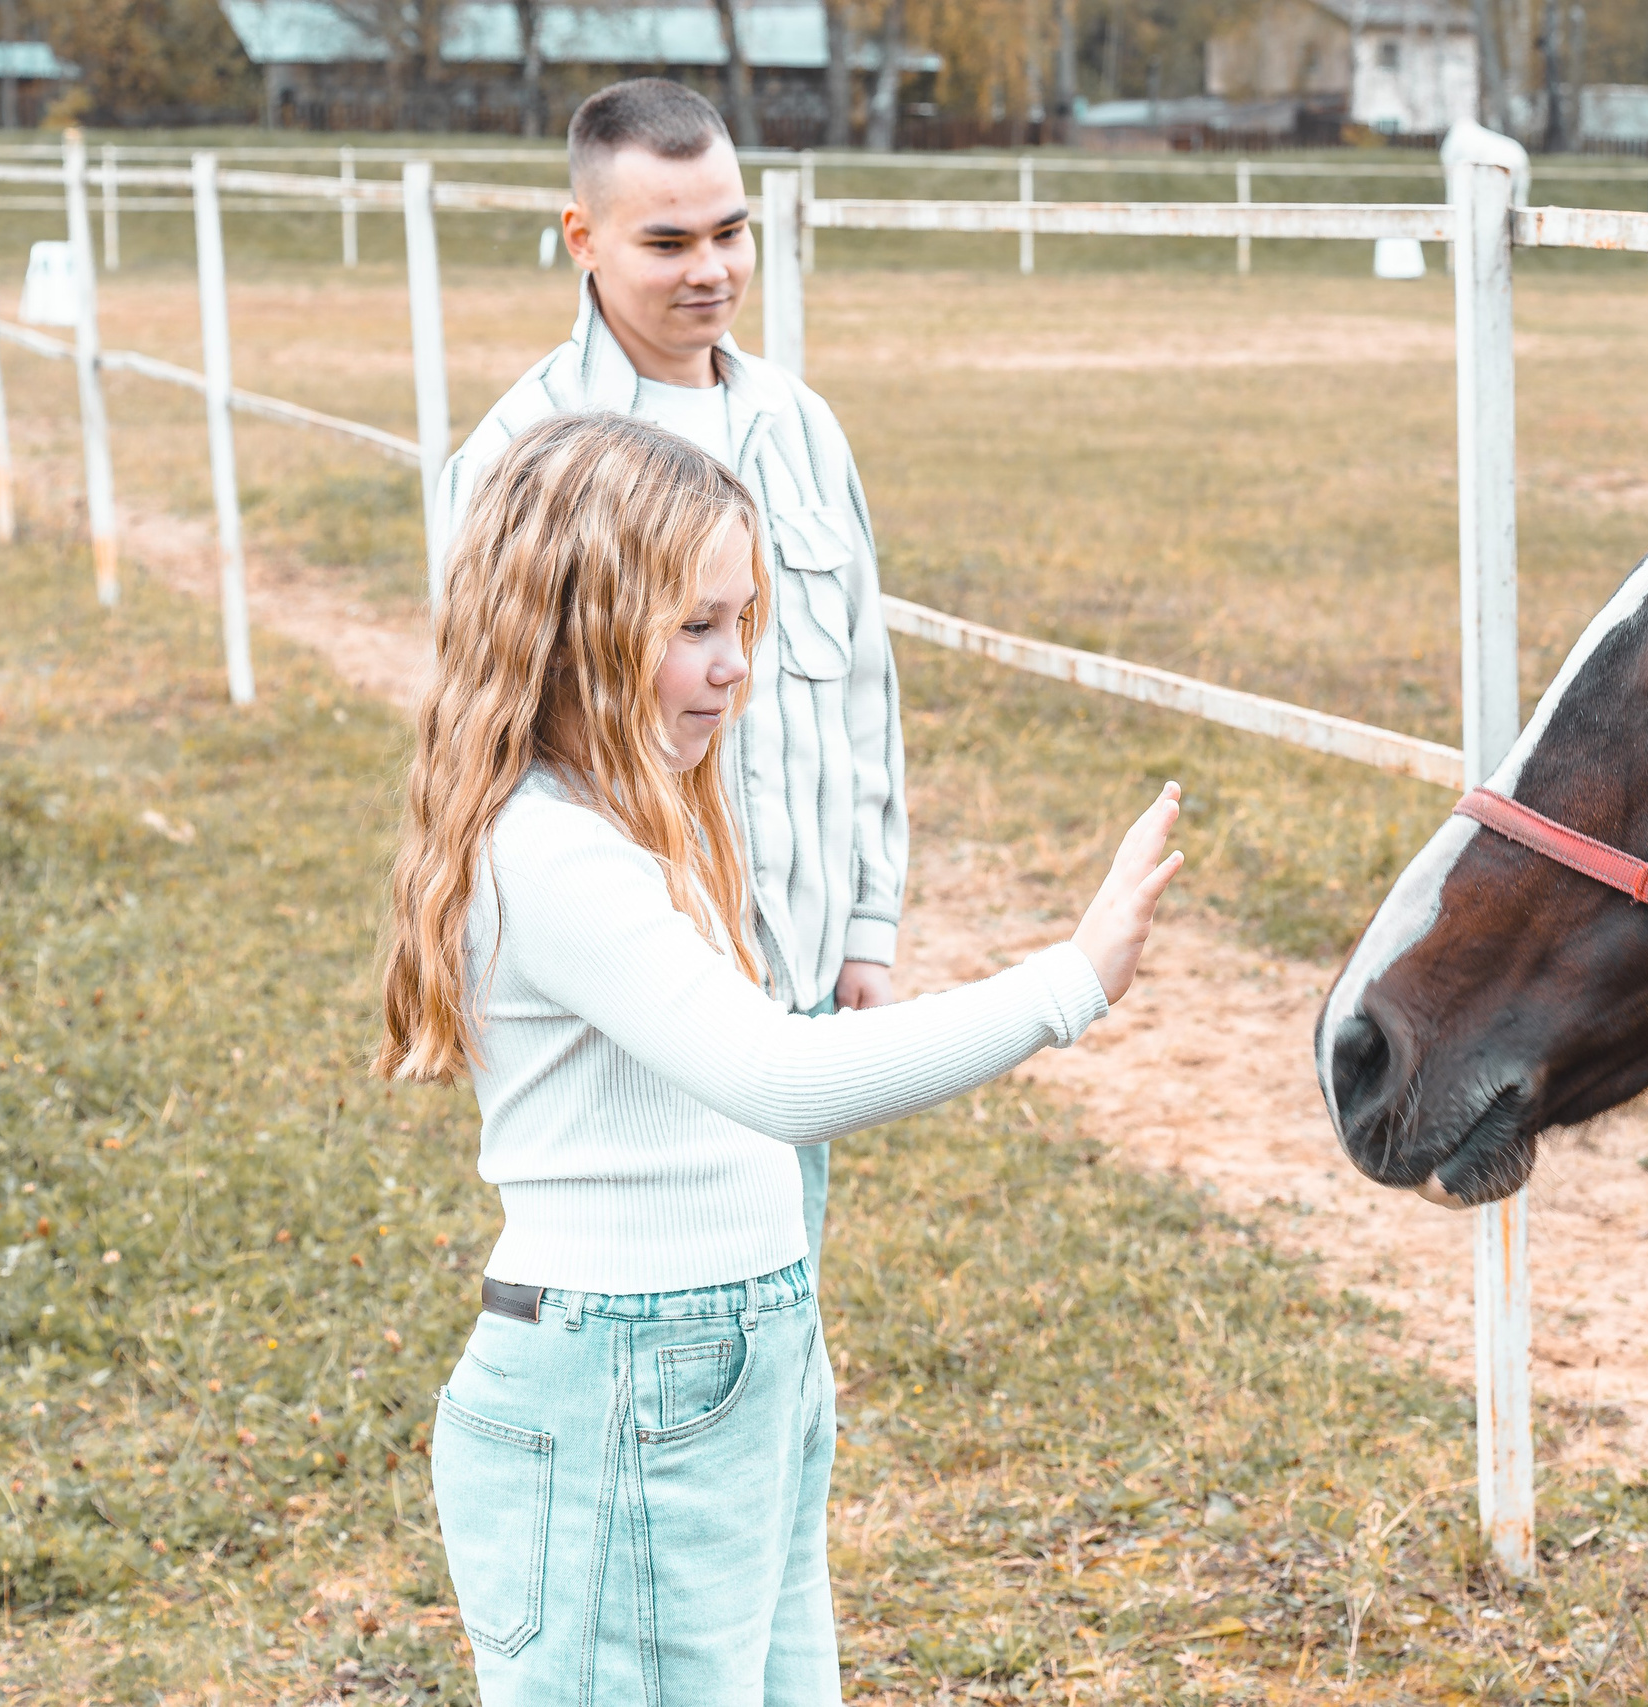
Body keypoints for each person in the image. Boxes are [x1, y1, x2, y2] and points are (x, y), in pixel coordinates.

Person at [380, 412, 1181, 1702]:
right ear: (575, 627)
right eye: (695, 626)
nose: (735, 664)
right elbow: (780, 1081)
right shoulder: (551, 854)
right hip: (626, 1379)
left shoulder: (633, 826)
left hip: (732, 1353)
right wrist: (1068, 983)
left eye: (743, 620)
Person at [439, 77, 887, 1281]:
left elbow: (863, 691)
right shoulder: (518, 459)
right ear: (581, 237)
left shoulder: (801, 427)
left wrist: (868, 921)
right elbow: (490, 737)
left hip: (797, 972)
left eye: (731, 232)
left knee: (784, 1282)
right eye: (668, 242)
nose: (712, 270)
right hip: (636, 995)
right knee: (665, 1300)